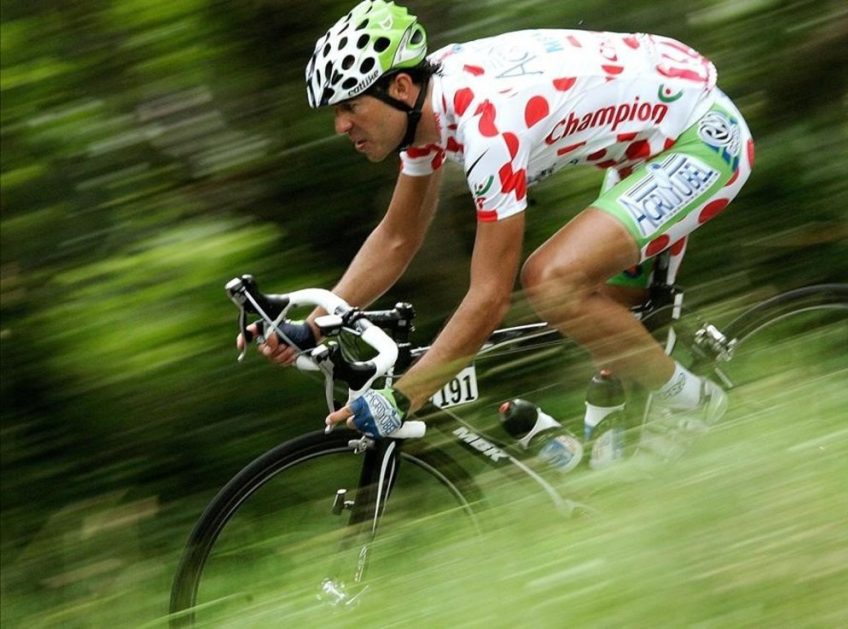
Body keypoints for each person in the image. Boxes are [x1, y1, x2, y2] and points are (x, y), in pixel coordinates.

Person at [246, 0, 754, 448]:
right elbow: (399, 237)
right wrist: (311, 329)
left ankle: (698, 403)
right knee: (611, 332)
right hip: (646, 147)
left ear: (399, 86)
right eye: (336, 111)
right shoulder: (426, 104)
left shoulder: (487, 123)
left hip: (701, 138)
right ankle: (631, 460)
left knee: (551, 282)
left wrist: (404, 397)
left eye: (351, 105)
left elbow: (489, 297)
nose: (340, 125)